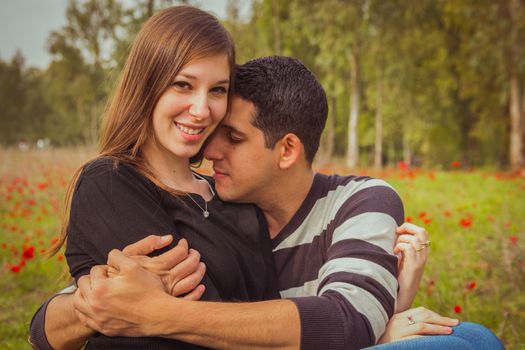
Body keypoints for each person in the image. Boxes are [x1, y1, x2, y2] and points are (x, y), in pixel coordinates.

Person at [30, 55, 501, 350]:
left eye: (232, 138)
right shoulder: (212, 209)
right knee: (468, 343)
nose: (209, 151)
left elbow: (347, 321)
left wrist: (160, 314)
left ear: (287, 150)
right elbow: (53, 324)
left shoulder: (361, 201)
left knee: (470, 337)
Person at [31, 6, 281, 350]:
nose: (201, 109)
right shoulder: (109, 182)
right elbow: (205, 310)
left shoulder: (230, 195)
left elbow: (271, 311)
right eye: (183, 85)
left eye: (218, 90)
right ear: (147, 84)